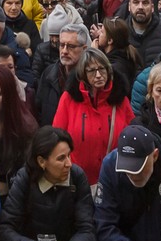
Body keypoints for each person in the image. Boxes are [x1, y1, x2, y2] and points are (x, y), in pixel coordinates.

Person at [48, 51, 131, 186]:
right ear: (83, 75)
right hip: (77, 180)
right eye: (92, 71)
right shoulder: (69, 98)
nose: (98, 75)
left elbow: (131, 135)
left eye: (102, 69)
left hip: (113, 180)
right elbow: (57, 137)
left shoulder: (120, 99)